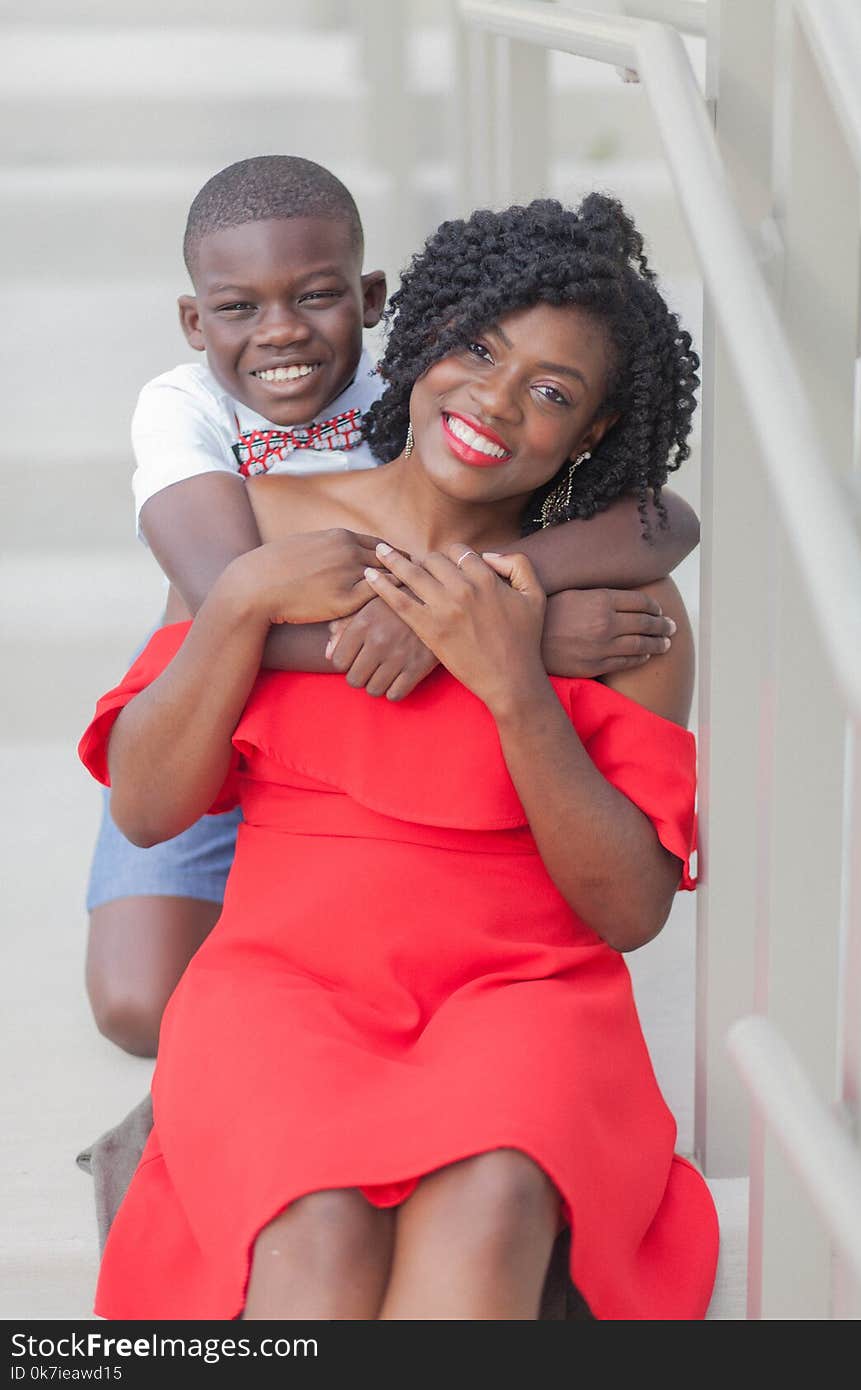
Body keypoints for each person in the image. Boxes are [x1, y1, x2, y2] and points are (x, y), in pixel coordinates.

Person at [79, 192, 717, 1320]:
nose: (492, 400)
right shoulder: (258, 530)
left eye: (551, 392)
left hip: (523, 986)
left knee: (495, 1196)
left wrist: (513, 680)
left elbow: (627, 910)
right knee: (309, 1227)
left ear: (593, 434)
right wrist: (236, 609)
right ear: (421, 339)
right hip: (284, 977)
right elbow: (146, 807)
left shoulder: (626, 607)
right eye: (478, 350)